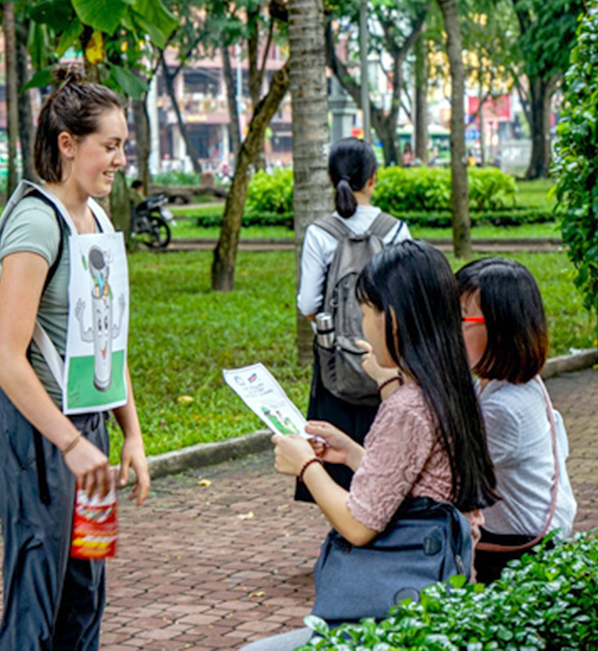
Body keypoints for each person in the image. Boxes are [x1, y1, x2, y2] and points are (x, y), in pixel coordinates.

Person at [243, 241, 498, 650]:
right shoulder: (451, 390)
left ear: (392, 319)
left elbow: (358, 525)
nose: (363, 325)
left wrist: (307, 466)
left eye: (365, 313)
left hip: (399, 615)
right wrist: (353, 453)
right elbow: (423, 486)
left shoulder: (409, 406)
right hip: (443, 590)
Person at [0, 70, 150, 650]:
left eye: (123, 144)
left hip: (89, 433)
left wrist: (130, 432)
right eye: (111, 145)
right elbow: (6, 358)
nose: (121, 158)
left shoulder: (97, 218)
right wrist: (71, 445)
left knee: (85, 591)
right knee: (36, 599)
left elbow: (107, 334)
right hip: (35, 439)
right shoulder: (34, 223)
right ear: (67, 144)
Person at [294, 137, 411, 502]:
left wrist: (333, 335)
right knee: (389, 457)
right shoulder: (395, 230)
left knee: (335, 459)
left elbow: (308, 302)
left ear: (332, 179)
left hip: (335, 367)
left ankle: (343, 532)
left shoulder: (321, 234)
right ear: (373, 178)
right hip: (388, 363)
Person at [457, 257, 577, 583]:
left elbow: (440, 473)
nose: (450, 328)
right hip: (515, 540)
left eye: (461, 317)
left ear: (500, 328)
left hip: (519, 555)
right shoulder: (494, 382)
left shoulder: (506, 409)